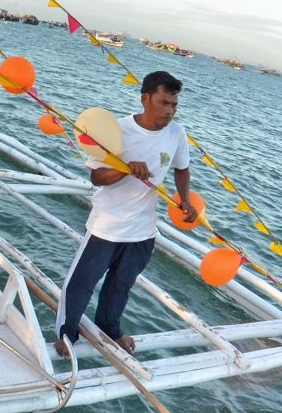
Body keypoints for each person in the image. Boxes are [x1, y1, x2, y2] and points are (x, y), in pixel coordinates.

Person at [55, 71, 196, 356]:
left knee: (121, 286)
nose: (169, 111)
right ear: (145, 99)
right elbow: (97, 177)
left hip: (144, 230)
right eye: (163, 103)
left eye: (174, 105)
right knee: (82, 282)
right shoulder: (117, 131)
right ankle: (66, 334)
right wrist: (125, 168)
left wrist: (184, 199)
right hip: (107, 225)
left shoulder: (176, 133)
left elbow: (181, 167)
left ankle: (110, 330)